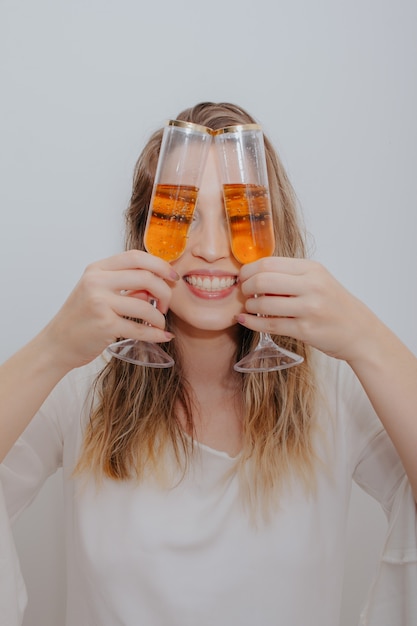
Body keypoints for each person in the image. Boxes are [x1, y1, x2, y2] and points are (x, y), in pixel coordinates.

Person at [0, 101, 416, 626]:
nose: (213, 249)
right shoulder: (85, 381)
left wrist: (367, 338)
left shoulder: (333, 386)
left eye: (241, 217)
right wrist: (51, 348)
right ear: (145, 229)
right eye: (181, 215)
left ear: (273, 229)